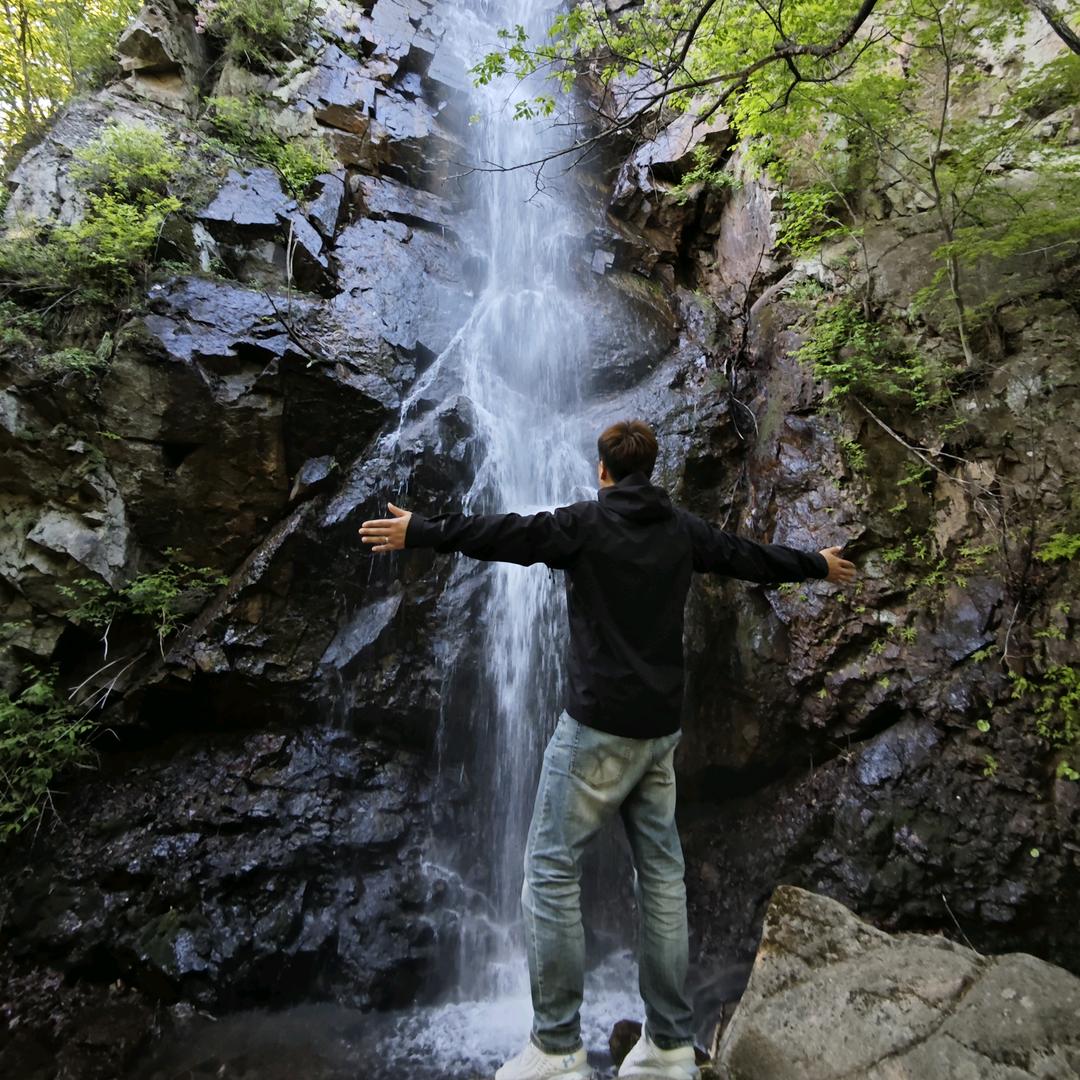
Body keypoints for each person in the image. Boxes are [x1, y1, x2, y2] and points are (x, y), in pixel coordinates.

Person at [360, 419, 856, 1080]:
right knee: (660, 878)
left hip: (595, 731)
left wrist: (421, 529)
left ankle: (558, 1045)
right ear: (651, 470)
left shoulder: (583, 526)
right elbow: (749, 556)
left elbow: (503, 533)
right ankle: (670, 1045)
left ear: (602, 471)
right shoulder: (682, 530)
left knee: (550, 872)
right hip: (659, 734)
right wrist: (816, 564)